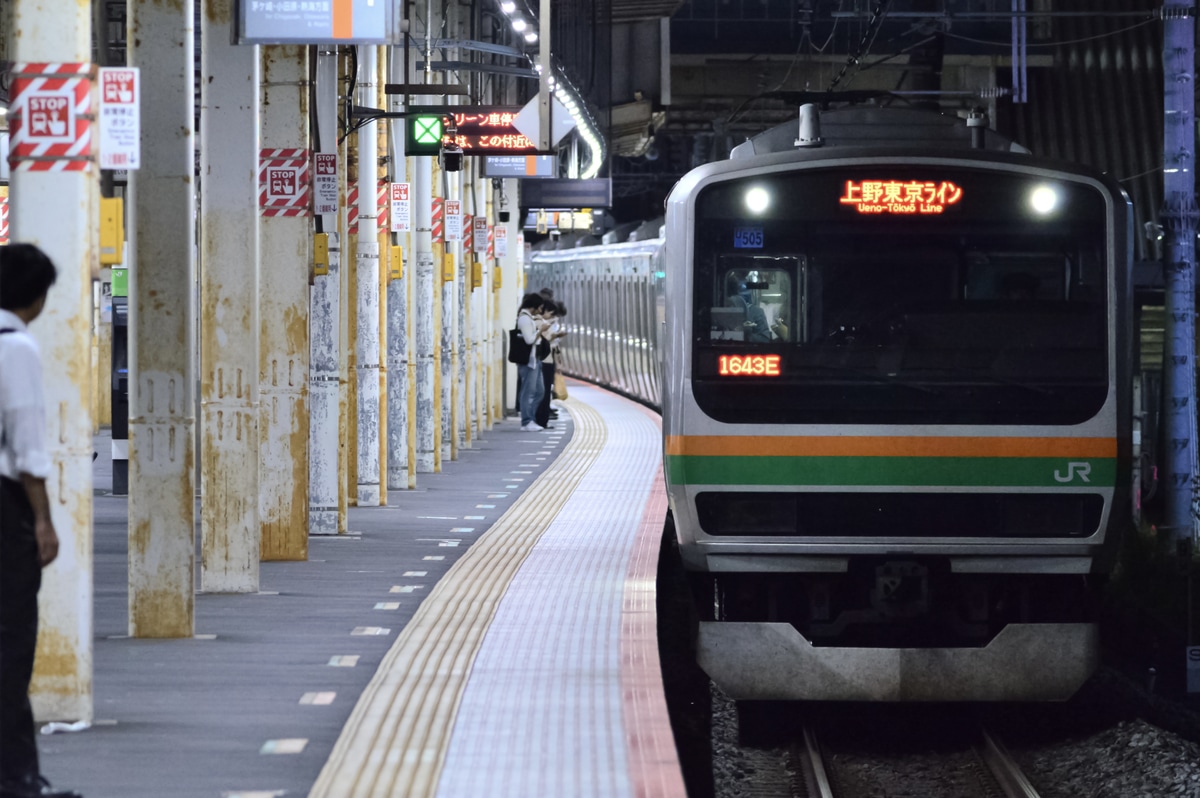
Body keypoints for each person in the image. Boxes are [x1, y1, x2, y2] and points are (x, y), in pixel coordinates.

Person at [0, 243, 82, 798]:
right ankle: (16, 778)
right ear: (35, 295)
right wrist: (45, 523)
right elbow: (27, 448)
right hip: (6, 512)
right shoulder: (16, 347)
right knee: (10, 643)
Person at [515, 292, 551, 431]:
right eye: (540, 307)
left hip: (535, 359)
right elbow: (529, 340)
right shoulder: (524, 319)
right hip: (528, 361)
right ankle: (526, 421)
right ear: (534, 306)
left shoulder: (529, 317)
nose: (541, 311)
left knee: (540, 391)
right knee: (527, 391)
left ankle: (531, 419)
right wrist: (541, 330)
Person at [536, 301, 567, 429]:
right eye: (551, 313)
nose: (552, 316)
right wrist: (555, 335)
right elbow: (542, 340)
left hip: (548, 358)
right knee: (544, 389)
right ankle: (541, 419)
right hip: (545, 359)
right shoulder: (540, 323)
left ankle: (543, 419)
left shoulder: (544, 323)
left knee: (546, 389)